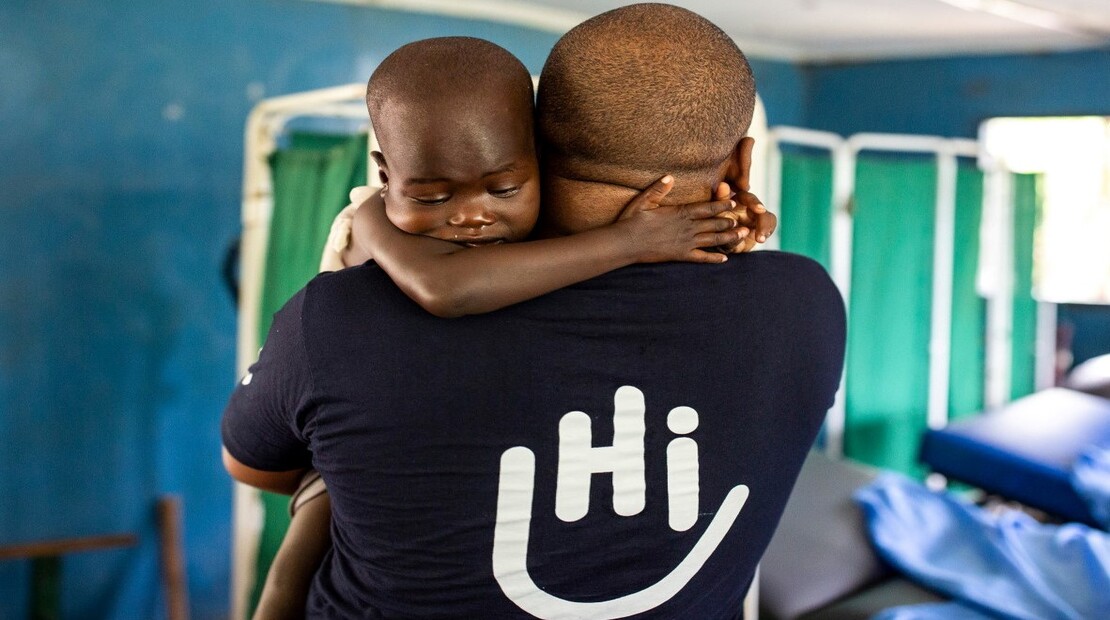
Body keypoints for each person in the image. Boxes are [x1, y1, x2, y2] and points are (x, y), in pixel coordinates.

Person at [223, 3, 846, 618]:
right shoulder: (810, 306)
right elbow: (445, 280)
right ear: (741, 163)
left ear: (534, 149)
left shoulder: (337, 319)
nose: (469, 216)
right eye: (436, 195)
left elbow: (249, 464)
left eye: (499, 188)